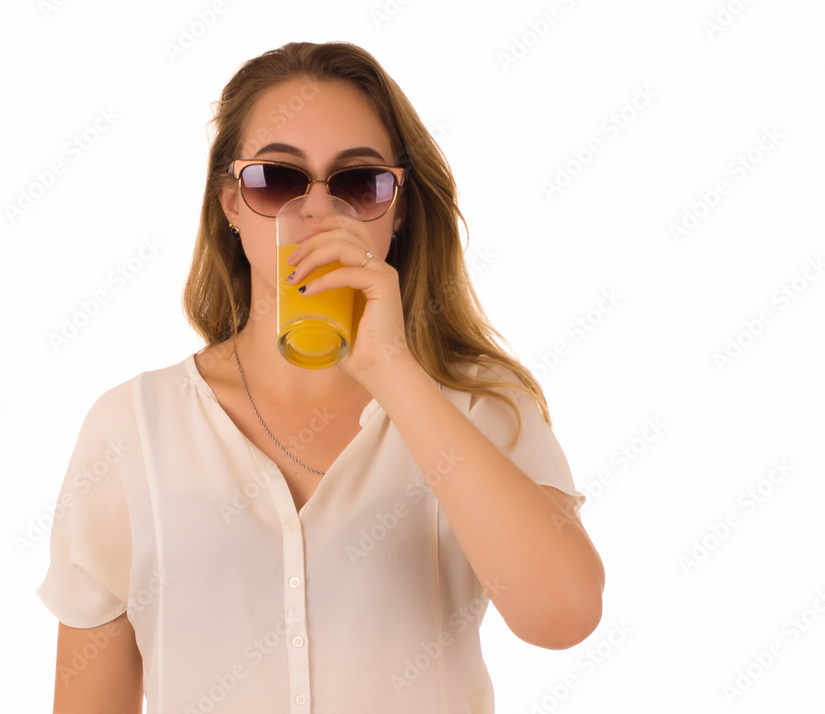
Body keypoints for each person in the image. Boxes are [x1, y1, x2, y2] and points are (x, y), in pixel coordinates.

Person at [37, 40, 604, 714]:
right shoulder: (131, 428)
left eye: (358, 184)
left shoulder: (480, 407)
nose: (316, 212)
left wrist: (392, 370)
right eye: (277, 180)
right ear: (231, 203)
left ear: (395, 211)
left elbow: (564, 617)